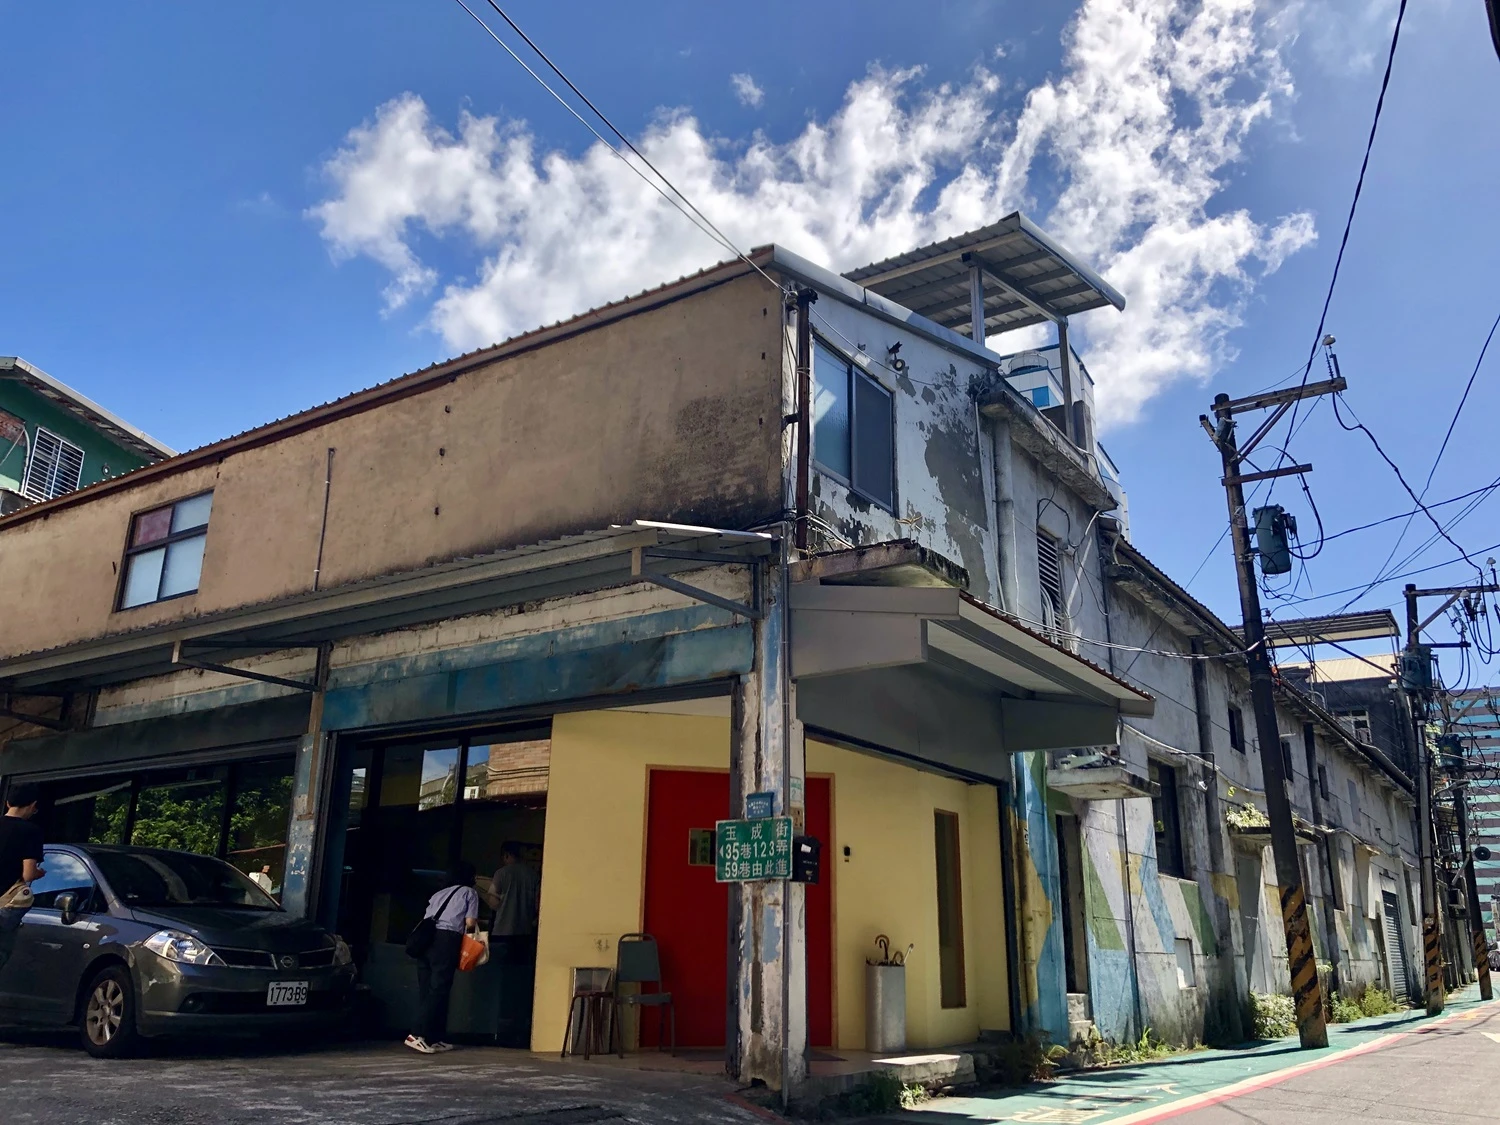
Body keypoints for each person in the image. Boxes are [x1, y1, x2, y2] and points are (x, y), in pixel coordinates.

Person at [406, 861, 478, 1055]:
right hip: (447, 940)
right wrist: (473, 945)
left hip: (426, 939)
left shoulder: (438, 894)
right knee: (440, 989)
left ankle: (433, 1037)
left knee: (427, 989)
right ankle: (417, 1034)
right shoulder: (469, 893)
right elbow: (470, 924)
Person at [484, 842, 540, 1048]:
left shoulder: (501, 874)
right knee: (520, 981)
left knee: (500, 981)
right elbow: (538, 904)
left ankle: (499, 1025)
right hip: (525, 933)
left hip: (502, 932)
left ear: (507, 855)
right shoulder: (532, 875)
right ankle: (519, 1024)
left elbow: (493, 901)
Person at [0, 783, 45, 976]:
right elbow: (28, 874)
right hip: (5, 903)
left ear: (8, 802)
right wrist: (39, 873)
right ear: (32, 805)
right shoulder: (31, 831)